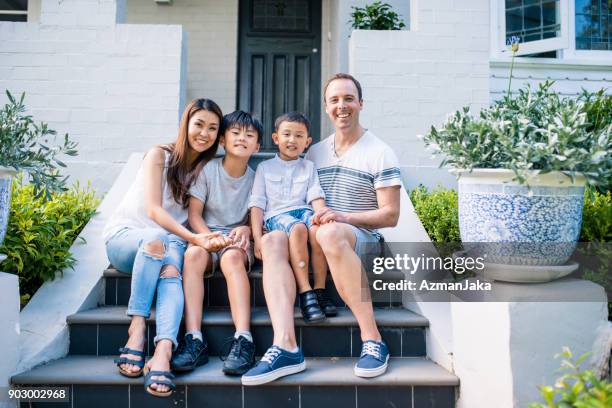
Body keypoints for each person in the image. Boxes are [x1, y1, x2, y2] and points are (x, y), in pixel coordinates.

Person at [242, 73, 401, 386]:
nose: (341, 105)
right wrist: (252, 231)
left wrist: (344, 217)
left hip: (361, 239)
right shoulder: (313, 153)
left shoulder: (379, 151)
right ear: (327, 107)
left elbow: (391, 216)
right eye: (334, 100)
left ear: (360, 103)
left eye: (348, 98)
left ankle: (373, 340)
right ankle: (285, 345)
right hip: (313, 239)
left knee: (328, 232)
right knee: (275, 240)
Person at [103, 99, 224, 397]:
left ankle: (163, 351)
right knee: (157, 240)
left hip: (167, 247)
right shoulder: (159, 155)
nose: (204, 134)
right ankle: (138, 327)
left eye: (212, 128)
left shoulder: (205, 170)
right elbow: (155, 211)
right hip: (127, 241)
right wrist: (195, 240)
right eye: (199, 124)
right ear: (185, 124)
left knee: (171, 267)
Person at [170, 110, 261, 376]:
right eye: (235, 132)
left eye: (249, 135)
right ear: (222, 140)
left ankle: (244, 339)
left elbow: (258, 216)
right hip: (207, 235)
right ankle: (194, 338)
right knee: (193, 257)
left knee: (232, 258)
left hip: (236, 240)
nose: (242, 138)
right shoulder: (208, 170)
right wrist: (207, 237)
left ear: (257, 145)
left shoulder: (257, 177)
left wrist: (247, 229)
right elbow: (194, 215)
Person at [249, 111, 334, 324]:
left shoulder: (309, 166)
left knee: (317, 231)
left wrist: (322, 216)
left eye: (299, 136)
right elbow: (257, 205)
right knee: (298, 229)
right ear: (276, 138)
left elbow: (315, 196)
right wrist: (257, 237)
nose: (292, 140)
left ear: (307, 142)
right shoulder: (265, 168)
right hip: (277, 215)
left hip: (303, 212)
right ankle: (306, 294)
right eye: (286, 134)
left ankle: (320, 290)